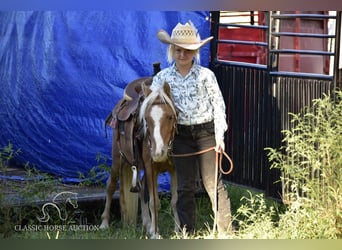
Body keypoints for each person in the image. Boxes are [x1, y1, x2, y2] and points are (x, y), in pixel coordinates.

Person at [150, 20, 233, 236]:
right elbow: (153, 106)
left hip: (206, 133)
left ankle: (227, 232)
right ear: (172, 50)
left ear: (194, 51)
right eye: (178, 50)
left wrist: (219, 136)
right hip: (181, 136)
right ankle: (187, 233)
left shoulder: (206, 76)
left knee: (213, 184)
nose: (182, 55)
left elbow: (218, 105)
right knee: (185, 186)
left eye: (187, 51)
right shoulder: (162, 78)